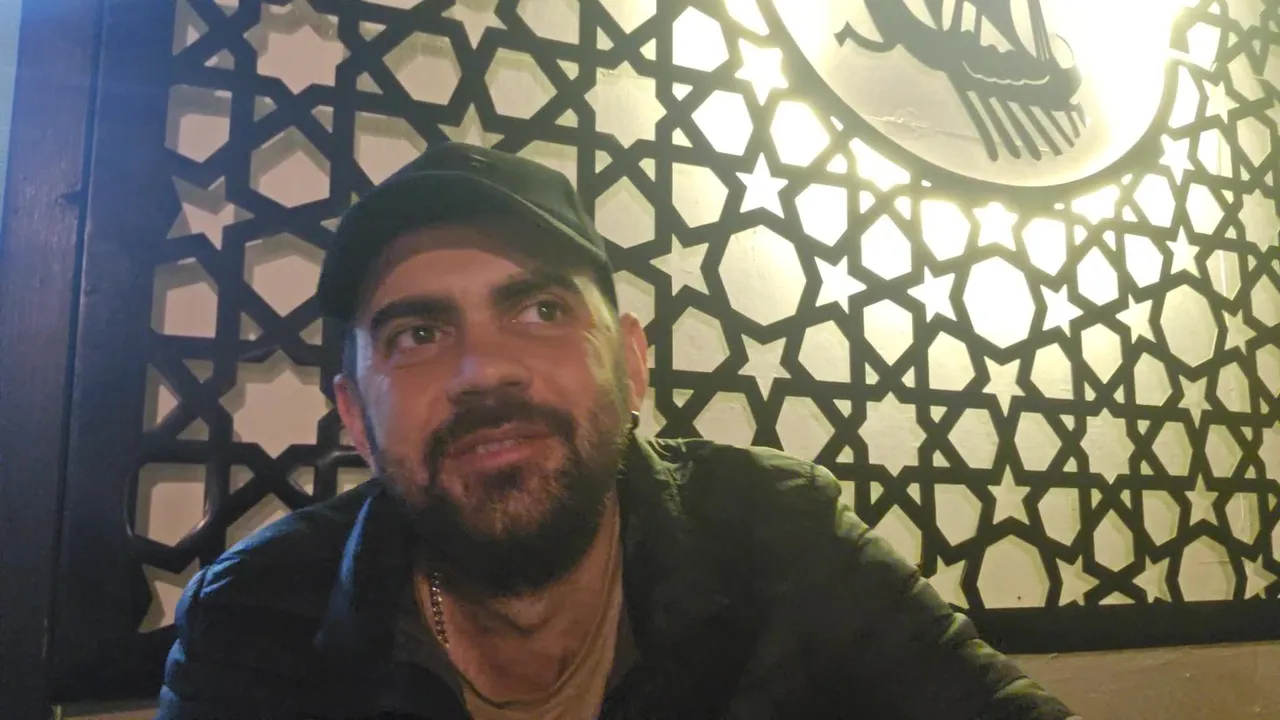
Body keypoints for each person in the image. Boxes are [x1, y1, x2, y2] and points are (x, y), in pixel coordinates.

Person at [156, 141, 1078, 719]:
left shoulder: (777, 530)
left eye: (542, 310)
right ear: (356, 416)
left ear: (632, 365)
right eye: (419, 335)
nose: (483, 371)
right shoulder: (253, 619)